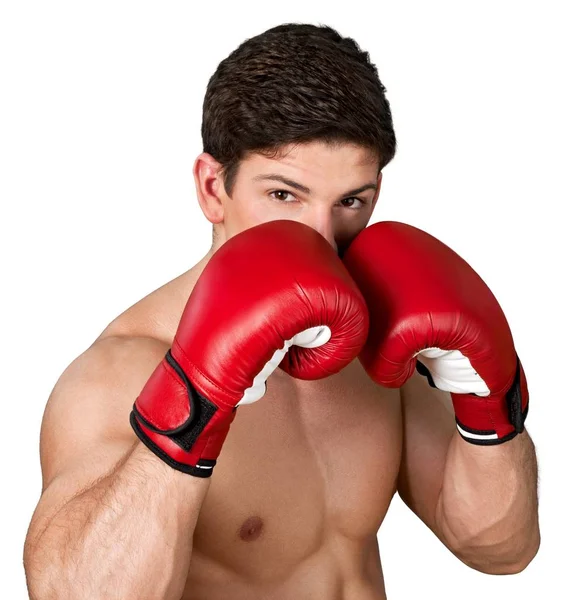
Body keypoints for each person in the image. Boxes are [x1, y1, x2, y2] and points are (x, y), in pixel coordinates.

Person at [23, 23, 540, 599]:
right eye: (284, 195)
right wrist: (195, 400)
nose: (322, 235)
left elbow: (501, 549)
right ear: (212, 187)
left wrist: (491, 402)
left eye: (351, 202)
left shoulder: (382, 342)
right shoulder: (117, 374)